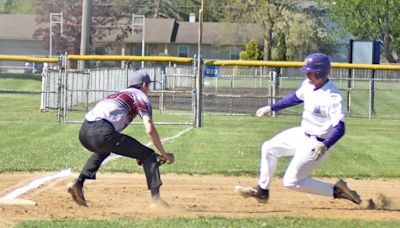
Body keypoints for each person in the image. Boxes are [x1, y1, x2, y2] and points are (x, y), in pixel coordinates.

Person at [236, 53, 361, 205]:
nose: (307, 74)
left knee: (290, 181)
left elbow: (340, 128)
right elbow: (295, 98)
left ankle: (337, 191)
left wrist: (325, 145)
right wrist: (271, 107)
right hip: (302, 134)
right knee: (268, 148)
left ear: (320, 73)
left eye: (310, 71)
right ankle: (262, 191)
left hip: (318, 144)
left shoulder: (332, 97)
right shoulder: (308, 85)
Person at [67, 70, 175, 208]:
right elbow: (149, 129)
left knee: (103, 150)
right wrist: (165, 155)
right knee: (148, 155)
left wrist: (135, 153)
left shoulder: (116, 95)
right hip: (102, 132)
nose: (148, 90)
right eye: (148, 86)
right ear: (144, 85)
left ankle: (78, 183)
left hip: (83, 132)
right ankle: (156, 200)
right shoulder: (140, 96)